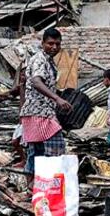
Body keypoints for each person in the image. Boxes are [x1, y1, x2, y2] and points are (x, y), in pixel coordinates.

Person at [18, 28, 72, 177]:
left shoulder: (48, 61)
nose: (54, 47)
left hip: (38, 112)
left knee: (36, 152)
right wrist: (57, 98)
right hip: (39, 112)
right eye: (50, 43)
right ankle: (49, 183)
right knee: (55, 148)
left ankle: (33, 186)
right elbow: (36, 81)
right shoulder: (39, 59)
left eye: (57, 44)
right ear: (42, 43)